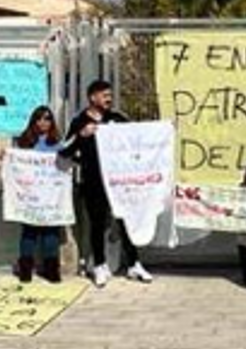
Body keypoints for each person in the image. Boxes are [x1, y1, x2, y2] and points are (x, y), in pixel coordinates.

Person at [60, 79, 153, 288]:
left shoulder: (117, 119)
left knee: (125, 222)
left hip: (119, 183)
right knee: (97, 224)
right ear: (92, 97)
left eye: (110, 95)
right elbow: (64, 150)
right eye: (104, 95)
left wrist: (164, 130)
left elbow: (137, 138)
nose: (109, 99)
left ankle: (134, 264)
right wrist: (81, 136)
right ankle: (100, 265)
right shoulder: (79, 122)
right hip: (93, 183)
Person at [10, 105, 64, 283]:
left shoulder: (57, 143)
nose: (43, 122)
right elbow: (15, 162)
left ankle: (51, 270)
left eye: (47, 118)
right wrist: (6, 156)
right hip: (30, 196)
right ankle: (25, 269)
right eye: (39, 118)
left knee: (51, 232)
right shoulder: (24, 141)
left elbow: (64, 163)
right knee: (29, 232)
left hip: (50, 197)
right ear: (33, 121)